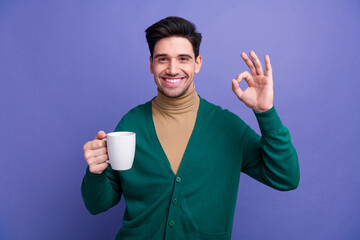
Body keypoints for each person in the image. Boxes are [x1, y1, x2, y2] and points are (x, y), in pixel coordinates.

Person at [81, 16, 300, 240]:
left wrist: (266, 113)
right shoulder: (131, 124)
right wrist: (95, 172)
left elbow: (285, 178)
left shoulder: (228, 128)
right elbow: (97, 204)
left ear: (198, 63)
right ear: (151, 64)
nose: (173, 69)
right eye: (162, 59)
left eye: (183, 58)